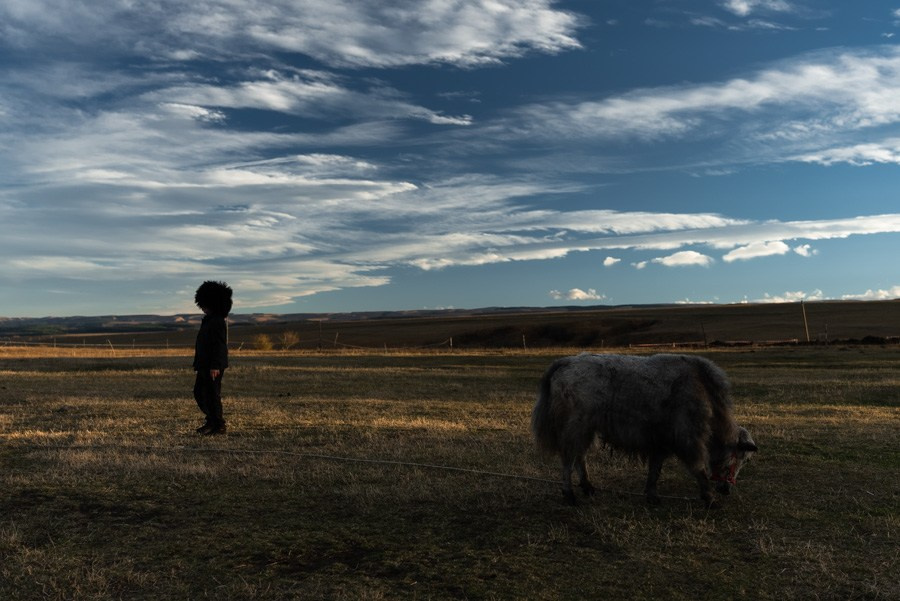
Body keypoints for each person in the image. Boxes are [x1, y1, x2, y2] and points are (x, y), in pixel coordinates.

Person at [192, 280, 232, 435]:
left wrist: (215, 365)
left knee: (211, 394)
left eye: (204, 304)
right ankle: (212, 421)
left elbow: (219, 346)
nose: (202, 307)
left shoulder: (217, 322)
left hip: (213, 366)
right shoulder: (209, 320)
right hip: (204, 364)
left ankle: (218, 425)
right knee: (200, 393)